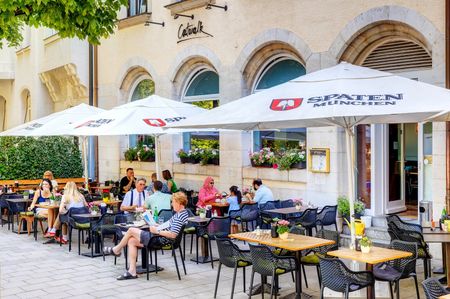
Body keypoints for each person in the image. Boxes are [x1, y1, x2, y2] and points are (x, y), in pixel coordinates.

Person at [104, 192, 189, 280]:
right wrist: (157, 226)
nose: (172, 204)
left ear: (179, 203)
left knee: (131, 230)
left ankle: (116, 250)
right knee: (131, 241)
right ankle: (132, 271)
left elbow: (173, 234)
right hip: (160, 238)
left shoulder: (180, 216)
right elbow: (168, 225)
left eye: (173, 202)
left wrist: (157, 231)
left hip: (161, 240)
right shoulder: (182, 213)